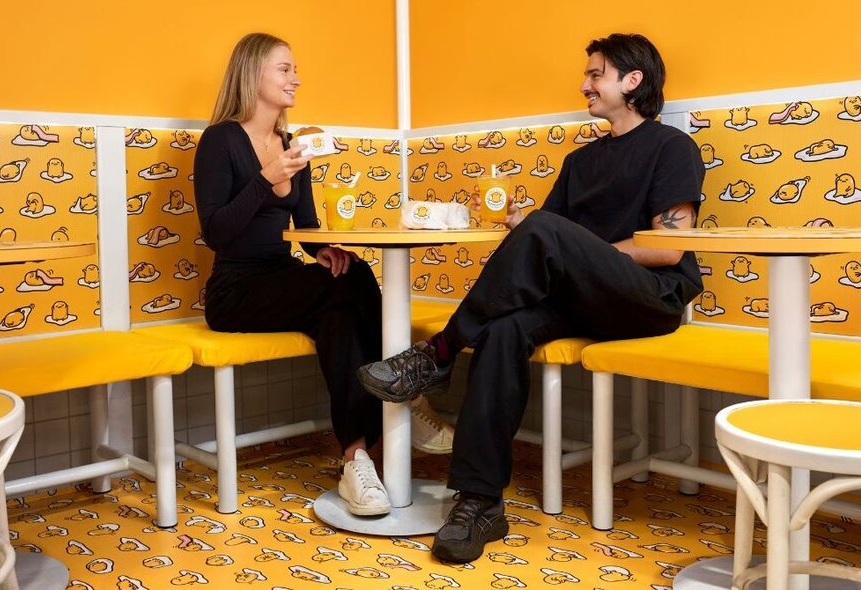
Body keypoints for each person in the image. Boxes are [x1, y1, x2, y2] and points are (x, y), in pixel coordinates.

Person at [357, 33, 705, 561]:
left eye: (596, 74)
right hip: (583, 298)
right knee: (503, 327)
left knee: (545, 232)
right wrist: (522, 225)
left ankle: (438, 355)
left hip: (648, 298)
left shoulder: (671, 147)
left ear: (632, 81)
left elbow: (667, 247)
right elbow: (547, 239)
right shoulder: (580, 161)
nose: (584, 84)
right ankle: (480, 503)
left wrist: (566, 245)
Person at [194, 33, 451, 516]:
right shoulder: (221, 140)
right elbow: (216, 233)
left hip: (282, 279)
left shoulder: (292, 144)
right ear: (253, 74)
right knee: (348, 286)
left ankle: (356, 459)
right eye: (284, 69)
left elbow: (306, 226)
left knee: (343, 289)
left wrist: (325, 250)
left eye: (295, 70)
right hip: (235, 290)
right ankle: (407, 396)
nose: (296, 78)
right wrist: (265, 178)